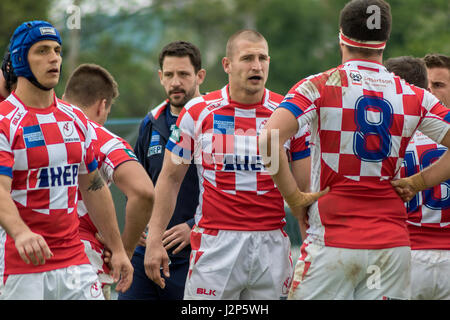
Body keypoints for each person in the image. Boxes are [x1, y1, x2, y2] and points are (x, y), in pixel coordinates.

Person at [259, 0, 450, 300]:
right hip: (391, 247)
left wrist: (294, 197)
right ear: (385, 40)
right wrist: (418, 183)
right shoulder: (414, 95)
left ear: (341, 37)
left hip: (332, 241)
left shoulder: (319, 85)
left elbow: (268, 138)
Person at [144, 30, 317, 300]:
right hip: (215, 246)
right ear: (227, 65)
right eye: (247, 58)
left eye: (262, 58)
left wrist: (311, 247)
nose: (256, 66)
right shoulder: (198, 112)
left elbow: (304, 191)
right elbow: (170, 179)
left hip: (271, 245)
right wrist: (154, 242)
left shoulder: (289, 114)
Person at [0, 20, 133, 300]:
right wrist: (21, 233)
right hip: (19, 268)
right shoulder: (4, 121)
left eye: (58, 50)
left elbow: (94, 187)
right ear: (20, 59)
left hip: (76, 264)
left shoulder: (76, 119)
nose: (54, 58)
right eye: (42, 50)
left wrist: (118, 248)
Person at [118, 41, 204, 300]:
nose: (176, 82)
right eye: (169, 75)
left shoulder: (214, 121)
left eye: (184, 74)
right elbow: (134, 184)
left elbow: (231, 188)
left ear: (200, 76)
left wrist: (194, 227)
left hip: (196, 252)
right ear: (160, 77)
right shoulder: (151, 122)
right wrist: (141, 228)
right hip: (147, 252)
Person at [63, 63, 155, 299]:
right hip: (81, 264)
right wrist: (123, 250)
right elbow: (143, 192)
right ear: (102, 105)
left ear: (64, 96)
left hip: (22, 261)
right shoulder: (101, 138)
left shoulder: (24, 125)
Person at [385, 56, 450, 300]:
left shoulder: (385, 134)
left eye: (440, 85)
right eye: (429, 86)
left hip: (404, 257)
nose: (432, 93)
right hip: (404, 251)